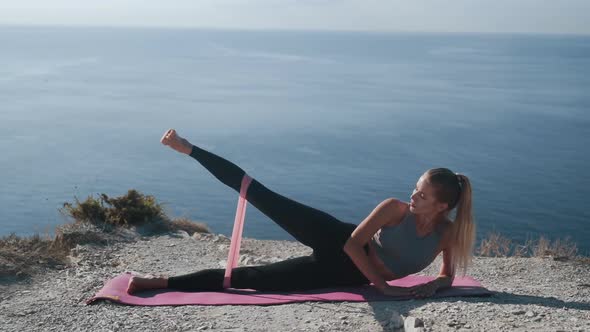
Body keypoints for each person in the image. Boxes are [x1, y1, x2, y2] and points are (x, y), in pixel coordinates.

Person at [126, 129, 476, 298]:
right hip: (338, 239)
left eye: (423, 194)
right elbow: (354, 244)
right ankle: (189, 148)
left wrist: (435, 284)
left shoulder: (446, 234)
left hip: (343, 274)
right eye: (416, 187)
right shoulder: (394, 209)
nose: (413, 194)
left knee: (251, 279)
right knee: (262, 196)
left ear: (442, 206)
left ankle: (161, 283)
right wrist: (384, 287)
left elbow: (448, 275)